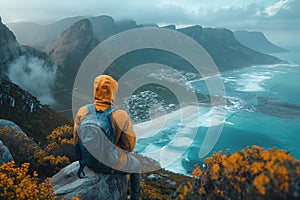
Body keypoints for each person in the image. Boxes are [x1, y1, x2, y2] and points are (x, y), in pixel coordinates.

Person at [73, 75, 141, 200]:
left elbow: (76, 140)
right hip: (109, 164)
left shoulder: (82, 111)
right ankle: (135, 197)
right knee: (136, 165)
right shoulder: (120, 114)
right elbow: (129, 146)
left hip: (87, 162)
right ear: (113, 91)